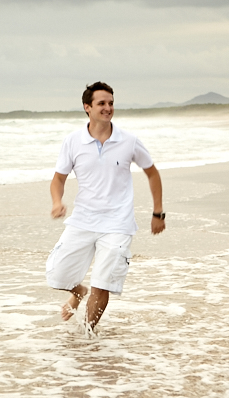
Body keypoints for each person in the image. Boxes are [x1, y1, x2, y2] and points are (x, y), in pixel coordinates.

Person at [47, 81, 166, 334]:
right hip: (82, 220)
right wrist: (57, 202)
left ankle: (88, 336)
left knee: (103, 284)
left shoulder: (129, 141)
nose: (108, 108)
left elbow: (152, 174)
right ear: (87, 107)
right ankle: (78, 292)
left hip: (118, 224)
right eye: (101, 103)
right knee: (58, 273)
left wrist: (158, 212)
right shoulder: (73, 141)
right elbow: (58, 179)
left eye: (111, 103)